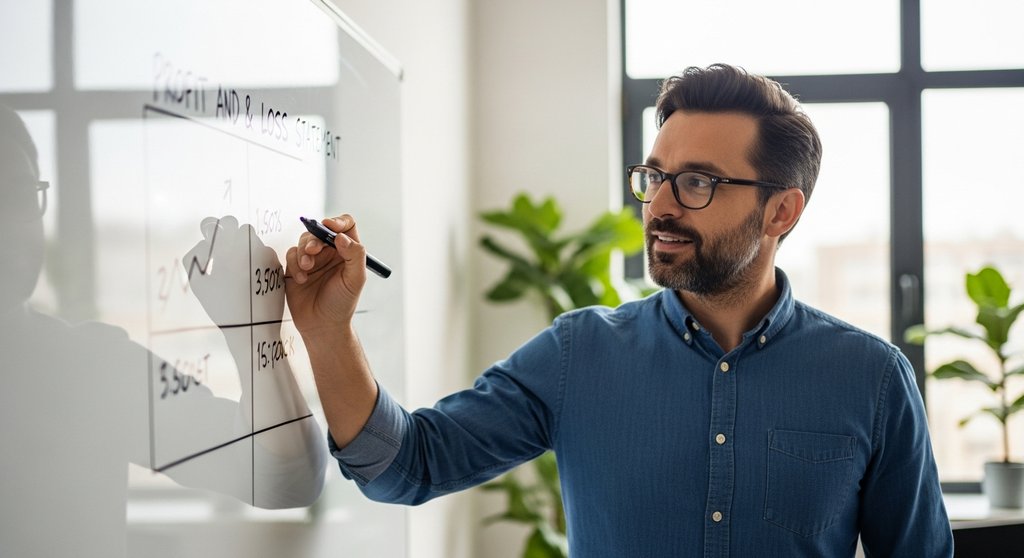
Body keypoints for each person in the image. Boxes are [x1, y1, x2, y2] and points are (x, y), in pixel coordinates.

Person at [286, 64, 953, 557]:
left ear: (780, 210)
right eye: (654, 177)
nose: (659, 205)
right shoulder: (580, 353)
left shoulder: (870, 378)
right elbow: (408, 466)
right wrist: (327, 331)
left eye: (697, 182)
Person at [0, 104, 326, 558]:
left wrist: (252, 330)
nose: (7, 225)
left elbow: (288, 477)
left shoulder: (91, 366)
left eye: (16, 194)